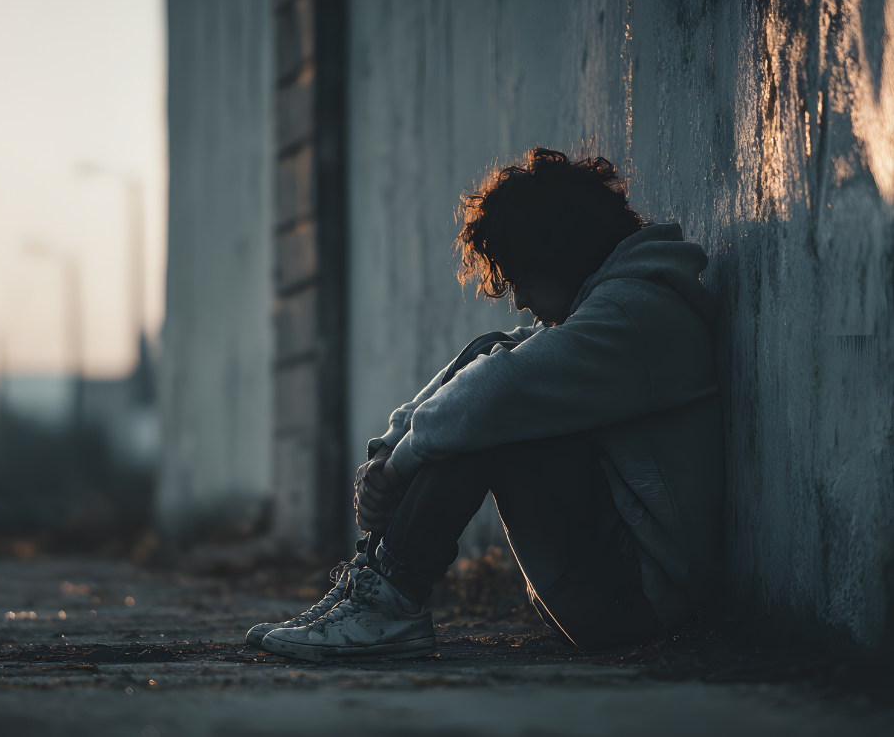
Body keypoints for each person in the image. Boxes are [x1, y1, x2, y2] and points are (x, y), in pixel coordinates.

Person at [246, 148, 724, 662]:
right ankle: (372, 589)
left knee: (487, 413)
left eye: (524, 277)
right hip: (613, 586)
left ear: (563, 253)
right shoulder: (620, 307)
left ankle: (387, 604)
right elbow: (489, 366)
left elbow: (489, 396)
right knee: (492, 357)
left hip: (635, 601)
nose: (519, 297)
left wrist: (399, 469)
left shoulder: (632, 317)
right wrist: (386, 455)